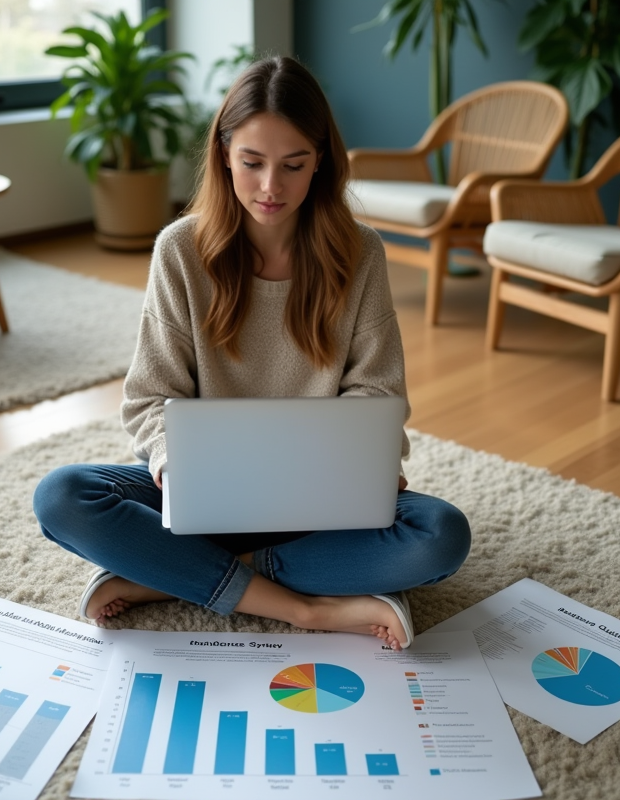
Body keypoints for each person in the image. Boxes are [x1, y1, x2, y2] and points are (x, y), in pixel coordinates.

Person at [33, 56, 470, 651]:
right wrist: (172, 464)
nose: (271, 187)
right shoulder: (180, 250)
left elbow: (376, 390)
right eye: (252, 162)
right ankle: (302, 606)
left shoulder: (360, 252)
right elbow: (150, 397)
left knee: (441, 535)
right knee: (63, 496)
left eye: (294, 165)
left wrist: (368, 463)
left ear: (321, 161)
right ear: (223, 154)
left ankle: (175, 576)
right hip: (203, 497)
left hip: (320, 501)